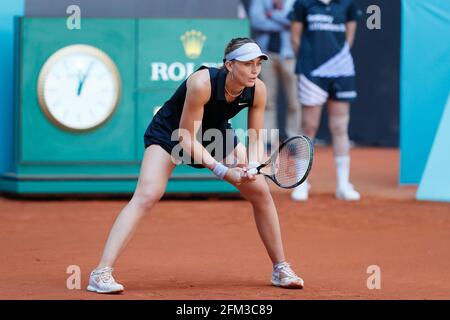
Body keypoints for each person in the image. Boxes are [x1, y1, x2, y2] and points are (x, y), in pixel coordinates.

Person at [87, 38, 304, 294]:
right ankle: (100, 273)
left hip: (216, 135)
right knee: (147, 195)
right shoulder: (202, 83)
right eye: (247, 63)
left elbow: (255, 137)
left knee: (261, 193)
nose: (255, 69)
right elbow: (186, 137)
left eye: (258, 63)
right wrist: (223, 171)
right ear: (229, 65)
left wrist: (252, 165)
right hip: (172, 133)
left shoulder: (258, 89)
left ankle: (280, 268)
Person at [288, 0, 362, 201]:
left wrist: (336, 61)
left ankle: (343, 184)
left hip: (341, 70)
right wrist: (309, 64)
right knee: (309, 126)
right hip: (312, 73)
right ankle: (301, 183)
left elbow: (349, 38)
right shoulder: (303, 4)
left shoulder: (347, 4)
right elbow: (295, 39)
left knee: (340, 126)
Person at [249, 0, 300, 147]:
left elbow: (294, 21)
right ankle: (268, 140)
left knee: (294, 101)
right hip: (265, 56)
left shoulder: (294, 2)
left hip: (289, 56)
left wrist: (271, 15)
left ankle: (294, 139)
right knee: (267, 100)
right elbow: (257, 21)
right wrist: (283, 22)